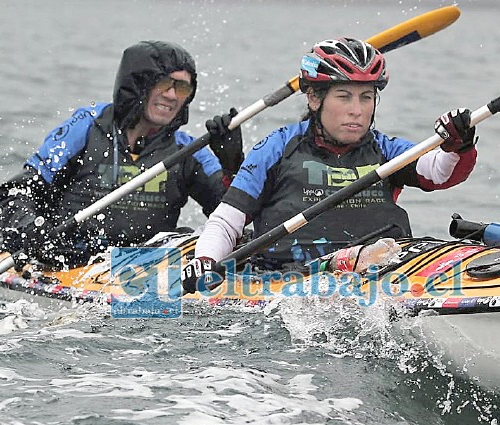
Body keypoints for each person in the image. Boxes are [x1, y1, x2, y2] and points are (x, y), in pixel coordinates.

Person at [182, 37, 477, 291]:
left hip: (386, 270)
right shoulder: (277, 148)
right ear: (313, 98)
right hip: (294, 277)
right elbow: (225, 221)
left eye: (366, 97)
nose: (357, 111)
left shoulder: (387, 149)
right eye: (344, 96)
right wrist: (205, 261)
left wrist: (457, 143)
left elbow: (439, 172)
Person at [0, 40, 243, 269]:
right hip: (68, 261)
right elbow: (15, 194)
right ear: (138, 84)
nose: (171, 95)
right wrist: (34, 233)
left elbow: (231, 219)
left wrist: (232, 165)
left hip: (144, 267)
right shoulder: (86, 127)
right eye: (163, 83)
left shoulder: (186, 150)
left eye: (182, 87)